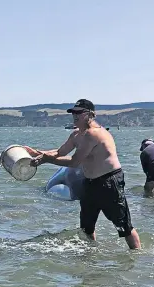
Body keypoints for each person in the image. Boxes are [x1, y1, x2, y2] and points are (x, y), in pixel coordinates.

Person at [23, 99, 141, 249]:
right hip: (90, 182)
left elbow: (74, 162)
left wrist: (46, 160)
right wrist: (37, 153)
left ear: (90, 114)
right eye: (73, 112)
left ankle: (136, 257)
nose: (75, 115)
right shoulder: (76, 135)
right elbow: (60, 152)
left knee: (124, 226)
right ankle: (89, 256)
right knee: (86, 226)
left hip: (109, 181)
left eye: (79, 112)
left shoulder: (94, 134)